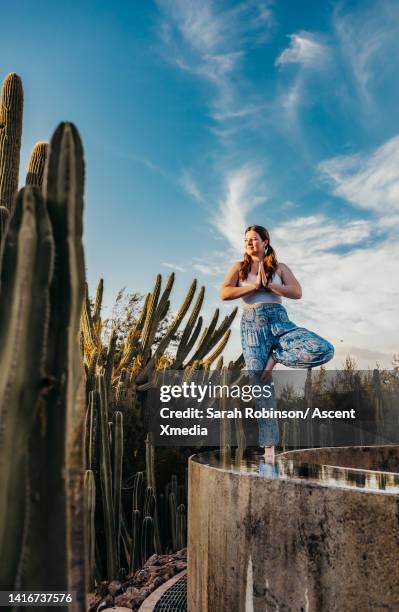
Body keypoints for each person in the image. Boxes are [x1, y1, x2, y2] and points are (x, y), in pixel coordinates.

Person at [219, 225, 334, 463]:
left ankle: (277, 356)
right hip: (253, 327)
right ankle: (269, 449)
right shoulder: (238, 268)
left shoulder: (279, 268)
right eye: (246, 240)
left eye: (254, 239)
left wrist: (270, 286)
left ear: (265, 242)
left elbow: (297, 292)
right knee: (261, 385)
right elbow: (224, 292)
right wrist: (253, 286)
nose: (249, 243)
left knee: (324, 349)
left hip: (280, 322)